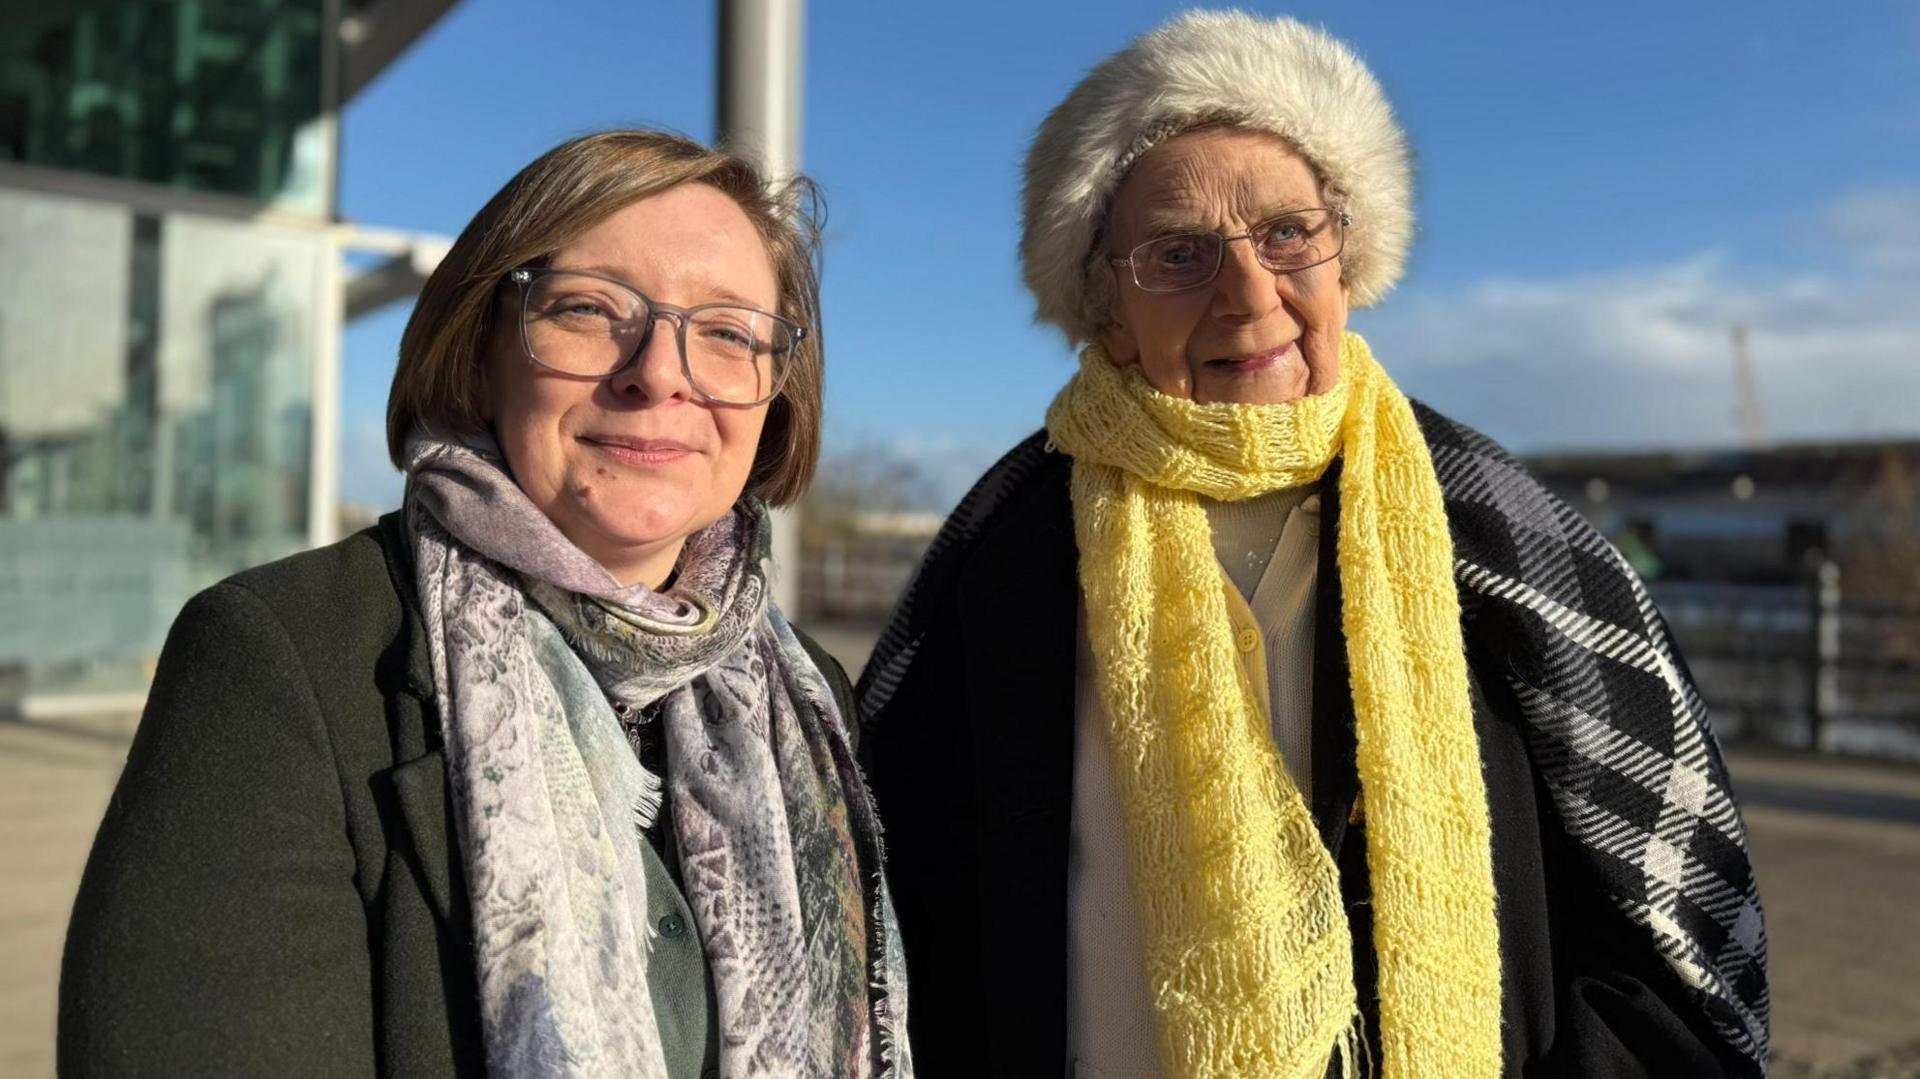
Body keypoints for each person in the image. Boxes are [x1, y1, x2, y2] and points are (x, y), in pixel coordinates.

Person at [857, 13, 1766, 1078]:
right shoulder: (1003, 555)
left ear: (1348, 263)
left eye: (1288, 233)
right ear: (1106, 311)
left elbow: (1669, 927)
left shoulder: (1505, 535)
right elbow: (898, 914)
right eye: (1179, 254)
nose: (1249, 295)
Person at [61, 130, 912, 1078]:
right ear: (479, 353)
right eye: (591, 308)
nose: (661, 373)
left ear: (774, 396)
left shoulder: (815, 697)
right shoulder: (283, 659)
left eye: (726, 333)